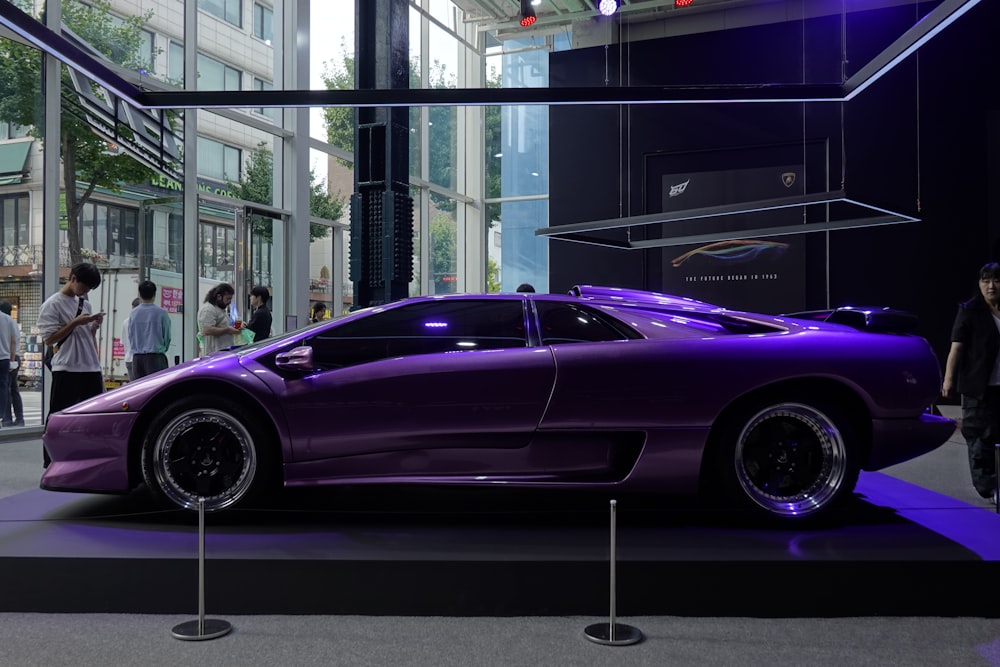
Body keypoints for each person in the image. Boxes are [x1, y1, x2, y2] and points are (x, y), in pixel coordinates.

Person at [942, 261, 1000, 503]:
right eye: (985, 280)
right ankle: (989, 488)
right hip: (979, 387)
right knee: (980, 438)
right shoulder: (970, 310)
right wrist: (948, 380)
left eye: (996, 280)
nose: (991, 286)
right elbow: (956, 348)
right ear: (979, 284)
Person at [37, 262, 105, 464]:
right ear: (72, 278)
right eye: (84, 286)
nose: (85, 291)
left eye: (89, 289)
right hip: (66, 366)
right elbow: (49, 339)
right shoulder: (52, 304)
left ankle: (86, 456)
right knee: (58, 416)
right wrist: (75, 322)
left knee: (94, 417)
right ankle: (51, 459)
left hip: (90, 366)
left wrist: (93, 325)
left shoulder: (85, 304)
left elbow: (87, 336)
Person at [127, 280, 172, 380]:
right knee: (158, 389)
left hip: (137, 358)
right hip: (156, 357)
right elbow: (167, 336)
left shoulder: (133, 313)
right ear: (154, 294)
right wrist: (163, 348)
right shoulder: (161, 313)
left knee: (140, 390)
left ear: (140, 294)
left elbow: (130, 335)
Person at [198, 283, 240, 355]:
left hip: (224, 351)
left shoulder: (220, 309)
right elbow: (207, 330)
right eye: (228, 299)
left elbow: (221, 326)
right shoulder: (208, 309)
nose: (229, 302)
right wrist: (227, 330)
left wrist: (234, 328)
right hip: (214, 353)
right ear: (219, 296)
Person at [0, 301, 19, 428]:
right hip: (6, 358)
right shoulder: (8, 319)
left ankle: (6, 418)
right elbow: (13, 340)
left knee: (7, 389)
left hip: (8, 357)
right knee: (6, 389)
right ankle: (4, 416)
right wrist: (12, 359)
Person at [121, 297, 140, 381]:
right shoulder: (141, 321)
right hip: (139, 359)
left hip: (128, 359)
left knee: (133, 386)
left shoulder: (126, 322)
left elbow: (123, 342)